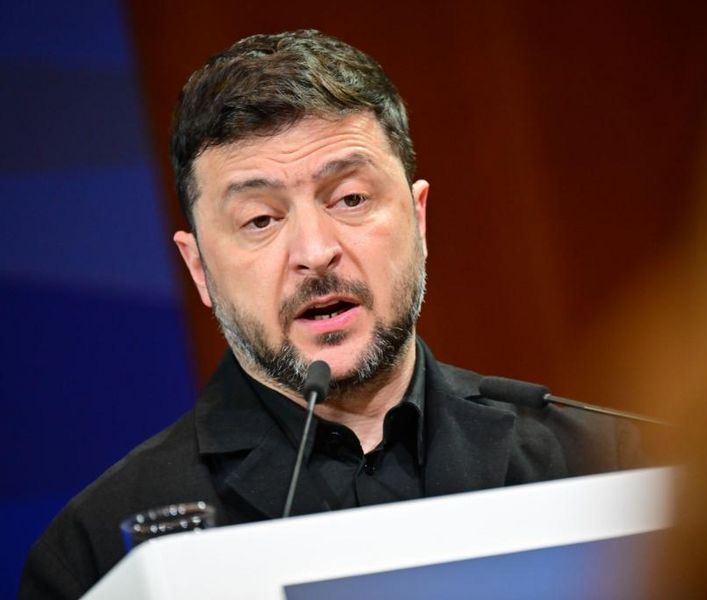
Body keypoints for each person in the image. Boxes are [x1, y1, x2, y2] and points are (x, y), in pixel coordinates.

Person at [20, 30, 643, 598]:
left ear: (419, 220)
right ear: (199, 268)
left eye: (349, 198)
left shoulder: (606, 468)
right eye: (260, 220)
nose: (316, 251)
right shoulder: (98, 557)